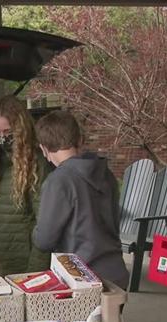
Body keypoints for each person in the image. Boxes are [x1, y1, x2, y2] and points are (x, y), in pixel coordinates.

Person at [31, 110, 129, 289]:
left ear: (44, 148)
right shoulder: (106, 173)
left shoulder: (58, 181)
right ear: (80, 140)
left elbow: (44, 239)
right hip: (116, 272)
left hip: (82, 278)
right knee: (113, 318)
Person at [0, 95, 52, 275]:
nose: (2, 138)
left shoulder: (36, 165)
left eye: (8, 132)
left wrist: (35, 273)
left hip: (23, 268)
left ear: (20, 129)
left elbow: (45, 226)